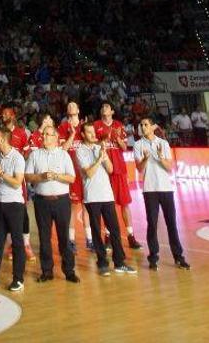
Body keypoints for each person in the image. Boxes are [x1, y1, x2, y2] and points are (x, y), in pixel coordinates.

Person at [76, 125, 137, 276]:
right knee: (97, 232)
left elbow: (110, 169)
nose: (92, 134)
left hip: (107, 195)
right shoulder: (80, 151)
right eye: (89, 132)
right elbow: (89, 173)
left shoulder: (99, 148)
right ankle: (102, 263)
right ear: (83, 134)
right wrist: (98, 159)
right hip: (92, 197)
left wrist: (104, 155)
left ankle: (119, 262)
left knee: (115, 230)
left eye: (93, 131)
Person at [133, 118, 190, 271]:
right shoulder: (138, 145)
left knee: (171, 223)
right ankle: (153, 256)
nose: (143, 127)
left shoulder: (163, 143)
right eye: (141, 125)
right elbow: (139, 168)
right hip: (150, 189)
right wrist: (145, 158)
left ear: (152, 127)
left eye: (146, 124)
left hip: (165, 188)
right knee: (152, 224)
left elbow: (169, 167)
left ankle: (178, 256)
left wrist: (159, 156)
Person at [25, 126, 79, 283]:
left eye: (48, 135)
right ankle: (47, 271)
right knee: (44, 238)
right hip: (41, 201)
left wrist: (56, 176)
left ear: (56, 138)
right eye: (43, 134)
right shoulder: (35, 154)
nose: (44, 137)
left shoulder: (64, 155)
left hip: (61, 201)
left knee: (64, 238)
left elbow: (72, 178)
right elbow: (28, 177)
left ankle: (69, 271)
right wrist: (41, 176)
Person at [0, 127, 26, 292]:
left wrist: (0, 173)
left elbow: (17, 182)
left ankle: (18, 279)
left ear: (4, 139)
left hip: (15, 204)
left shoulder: (18, 158)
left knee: (17, 243)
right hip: (0, 203)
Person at [94, 103, 141, 249]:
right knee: (108, 205)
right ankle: (108, 235)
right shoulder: (96, 125)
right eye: (102, 107)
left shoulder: (119, 125)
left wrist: (117, 139)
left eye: (107, 107)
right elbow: (93, 144)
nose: (104, 109)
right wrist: (103, 140)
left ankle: (130, 235)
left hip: (119, 170)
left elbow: (124, 147)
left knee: (124, 203)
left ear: (112, 111)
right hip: (103, 170)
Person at [0, 105, 35, 261]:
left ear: (13, 115)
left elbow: (27, 151)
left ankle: (26, 244)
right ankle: (11, 246)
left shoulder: (21, 133)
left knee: (22, 212)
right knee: (5, 215)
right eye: (2, 114)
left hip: (18, 177)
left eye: (6, 113)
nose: (3, 116)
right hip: (2, 182)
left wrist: (19, 161)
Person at [59, 102, 88, 252]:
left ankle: (90, 239)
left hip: (84, 171)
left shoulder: (85, 125)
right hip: (70, 171)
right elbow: (63, 148)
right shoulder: (63, 127)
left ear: (78, 110)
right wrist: (72, 134)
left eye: (73, 105)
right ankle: (71, 240)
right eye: (68, 105)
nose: (71, 107)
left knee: (86, 205)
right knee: (71, 207)